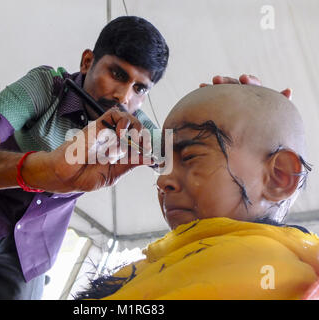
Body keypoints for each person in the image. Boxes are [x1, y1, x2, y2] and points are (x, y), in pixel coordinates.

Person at [0, 16, 169, 300]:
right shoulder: (45, 86)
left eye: (140, 88)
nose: (124, 97)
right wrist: (35, 169)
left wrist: (223, 114)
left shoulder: (134, 125)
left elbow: (177, 156)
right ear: (87, 61)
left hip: (32, 249)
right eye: (118, 75)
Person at [74, 83, 319, 300]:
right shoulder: (186, 259)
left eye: (190, 156)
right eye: (164, 162)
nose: (163, 181)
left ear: (280, 177)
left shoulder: (266, 269)